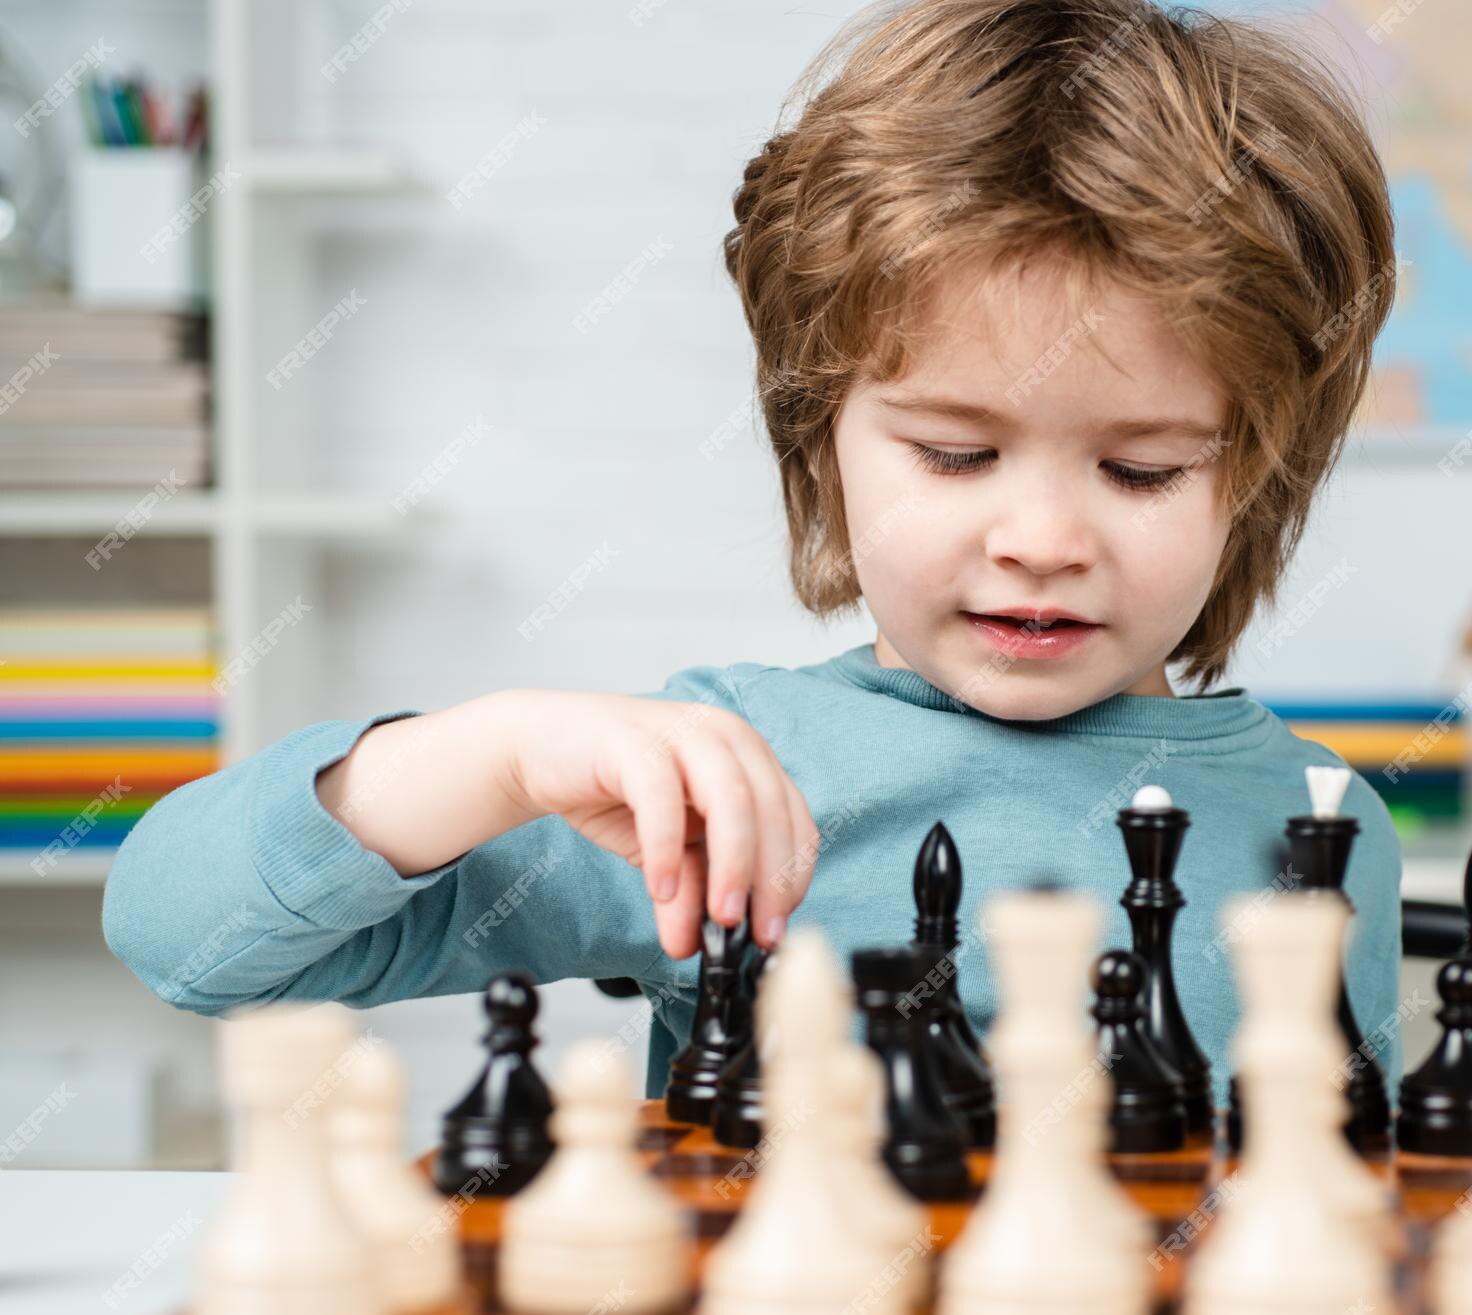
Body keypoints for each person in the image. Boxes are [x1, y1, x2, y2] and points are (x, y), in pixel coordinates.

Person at [104, 0, 1404, 1101]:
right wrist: (485, 756)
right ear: (816, 439)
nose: (1043, 541)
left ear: (1255, 476)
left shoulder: (1327, 820)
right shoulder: (711, 788)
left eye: (1141, 469)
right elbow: (182, 938)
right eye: (957, 454)